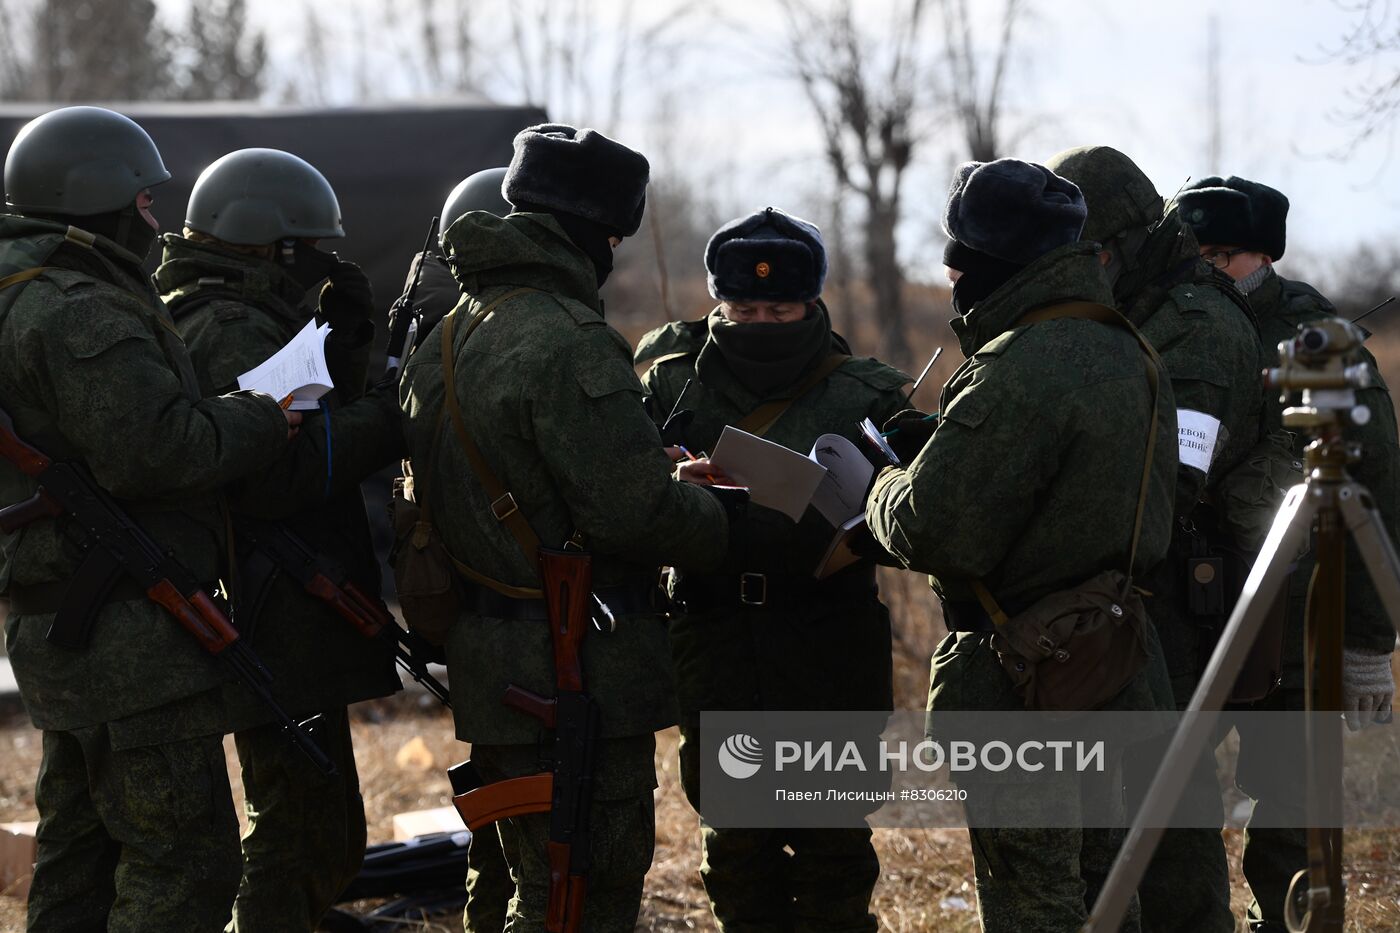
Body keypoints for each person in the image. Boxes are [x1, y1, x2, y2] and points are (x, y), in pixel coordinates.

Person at [398, 123, 731, 932]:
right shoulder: (571, 343)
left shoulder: (450, 334)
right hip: (572, 666)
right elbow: (633, 511)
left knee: (524, 880)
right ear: (599, 234)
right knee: (583, 891)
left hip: (489, 657)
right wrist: (716, 511)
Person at [0, 107, 297, 932]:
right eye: (143, 204)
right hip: (127, 635)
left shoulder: (16, 293)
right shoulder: (79, 308)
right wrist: (263, 415)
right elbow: (156, 450)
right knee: (185, 861)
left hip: (57, 619)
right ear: (97, 199)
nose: (155, 222)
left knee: (81, 854)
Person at [866, 158, 1178, 933]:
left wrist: (879, 486)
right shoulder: (1131, 350)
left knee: (1035, 898)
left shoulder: (1012, 368)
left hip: (1024, 686)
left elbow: (937, 532)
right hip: (1115, 661)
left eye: (953, 261)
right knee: (1110, 892)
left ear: (979, 263)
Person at [634, 206, 909, 932]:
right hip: (717, 636)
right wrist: (671, 491)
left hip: (826, 638)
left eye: (780, 307)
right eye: (743, 306)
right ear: (718, 301)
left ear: (812, 302)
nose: (760, 320)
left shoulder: (867, 391)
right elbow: (619, 500)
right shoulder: (672, 384)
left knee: (833, 857)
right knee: (736, 856)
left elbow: (926, 514)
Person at [154, 147, 408, 932]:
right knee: (301, 832)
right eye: (307, 247)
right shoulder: (228, 325)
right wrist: (389, 416)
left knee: (317, 829)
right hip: (272, 607)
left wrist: (351, 339)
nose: (320, 261)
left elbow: (306, 399)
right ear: (269, 243)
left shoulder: (240, 311)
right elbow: (278, 470)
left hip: (281, 601)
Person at [1046, 145, 1273, 933]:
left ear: (1128, 241)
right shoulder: (1135, 309)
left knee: (1167, 802)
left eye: (1093, 254)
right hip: (1121, 593)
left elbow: (1178, 473)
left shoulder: (1200, 325)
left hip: (1176, 592)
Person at [1179, 175, 1399, 933]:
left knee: (1294, 816)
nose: (1209, 267)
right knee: (1174, 802)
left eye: (1226, 253)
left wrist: (1368, 640)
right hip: (1192, 611)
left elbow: (1374, 492)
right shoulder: (1168, 325)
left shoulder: (1320, 343)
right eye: (1197, 250)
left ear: (1265, 254)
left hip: (1300, 613)